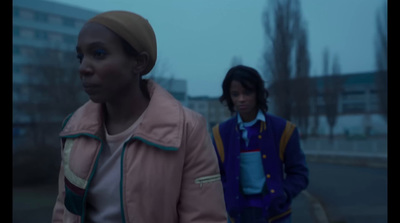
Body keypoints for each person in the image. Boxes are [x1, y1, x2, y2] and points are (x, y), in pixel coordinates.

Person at [52, 10, 227, 223]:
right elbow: (64, 210)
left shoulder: (188, 129)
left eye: (98, 54)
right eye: (81, 57)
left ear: (139, 63)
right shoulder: (73, 129)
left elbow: (205, 217)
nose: (83, 68)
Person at [211, 65, 309, 223]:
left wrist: (282, 193)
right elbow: (214, 175)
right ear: (229, 97)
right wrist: (227, 195)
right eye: (235, 94)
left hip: (276, 215)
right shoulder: (220, 134)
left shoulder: (283, 130)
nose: (241, 99)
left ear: (258, 93)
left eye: (247, 92)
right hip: (237, 215)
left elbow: (299, 173)